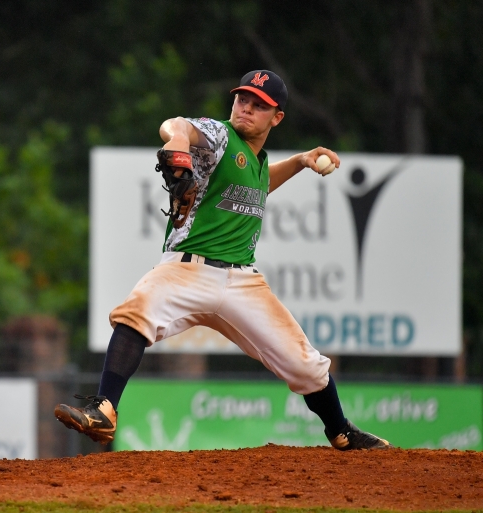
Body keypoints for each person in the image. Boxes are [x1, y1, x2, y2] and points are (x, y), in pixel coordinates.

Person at [55, 70, 392, 452]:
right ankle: (104, 409)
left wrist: (300, 161)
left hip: (243, 284)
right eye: (241, 99)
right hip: (185, 269)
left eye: (258, 105)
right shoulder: (218, 136)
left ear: (276, 117)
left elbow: (257, 187)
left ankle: (341, 432)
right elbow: (175, 125)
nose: (246, 108)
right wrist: (179, 141)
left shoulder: (257, 160)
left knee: (306, 364)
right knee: (137, 311)